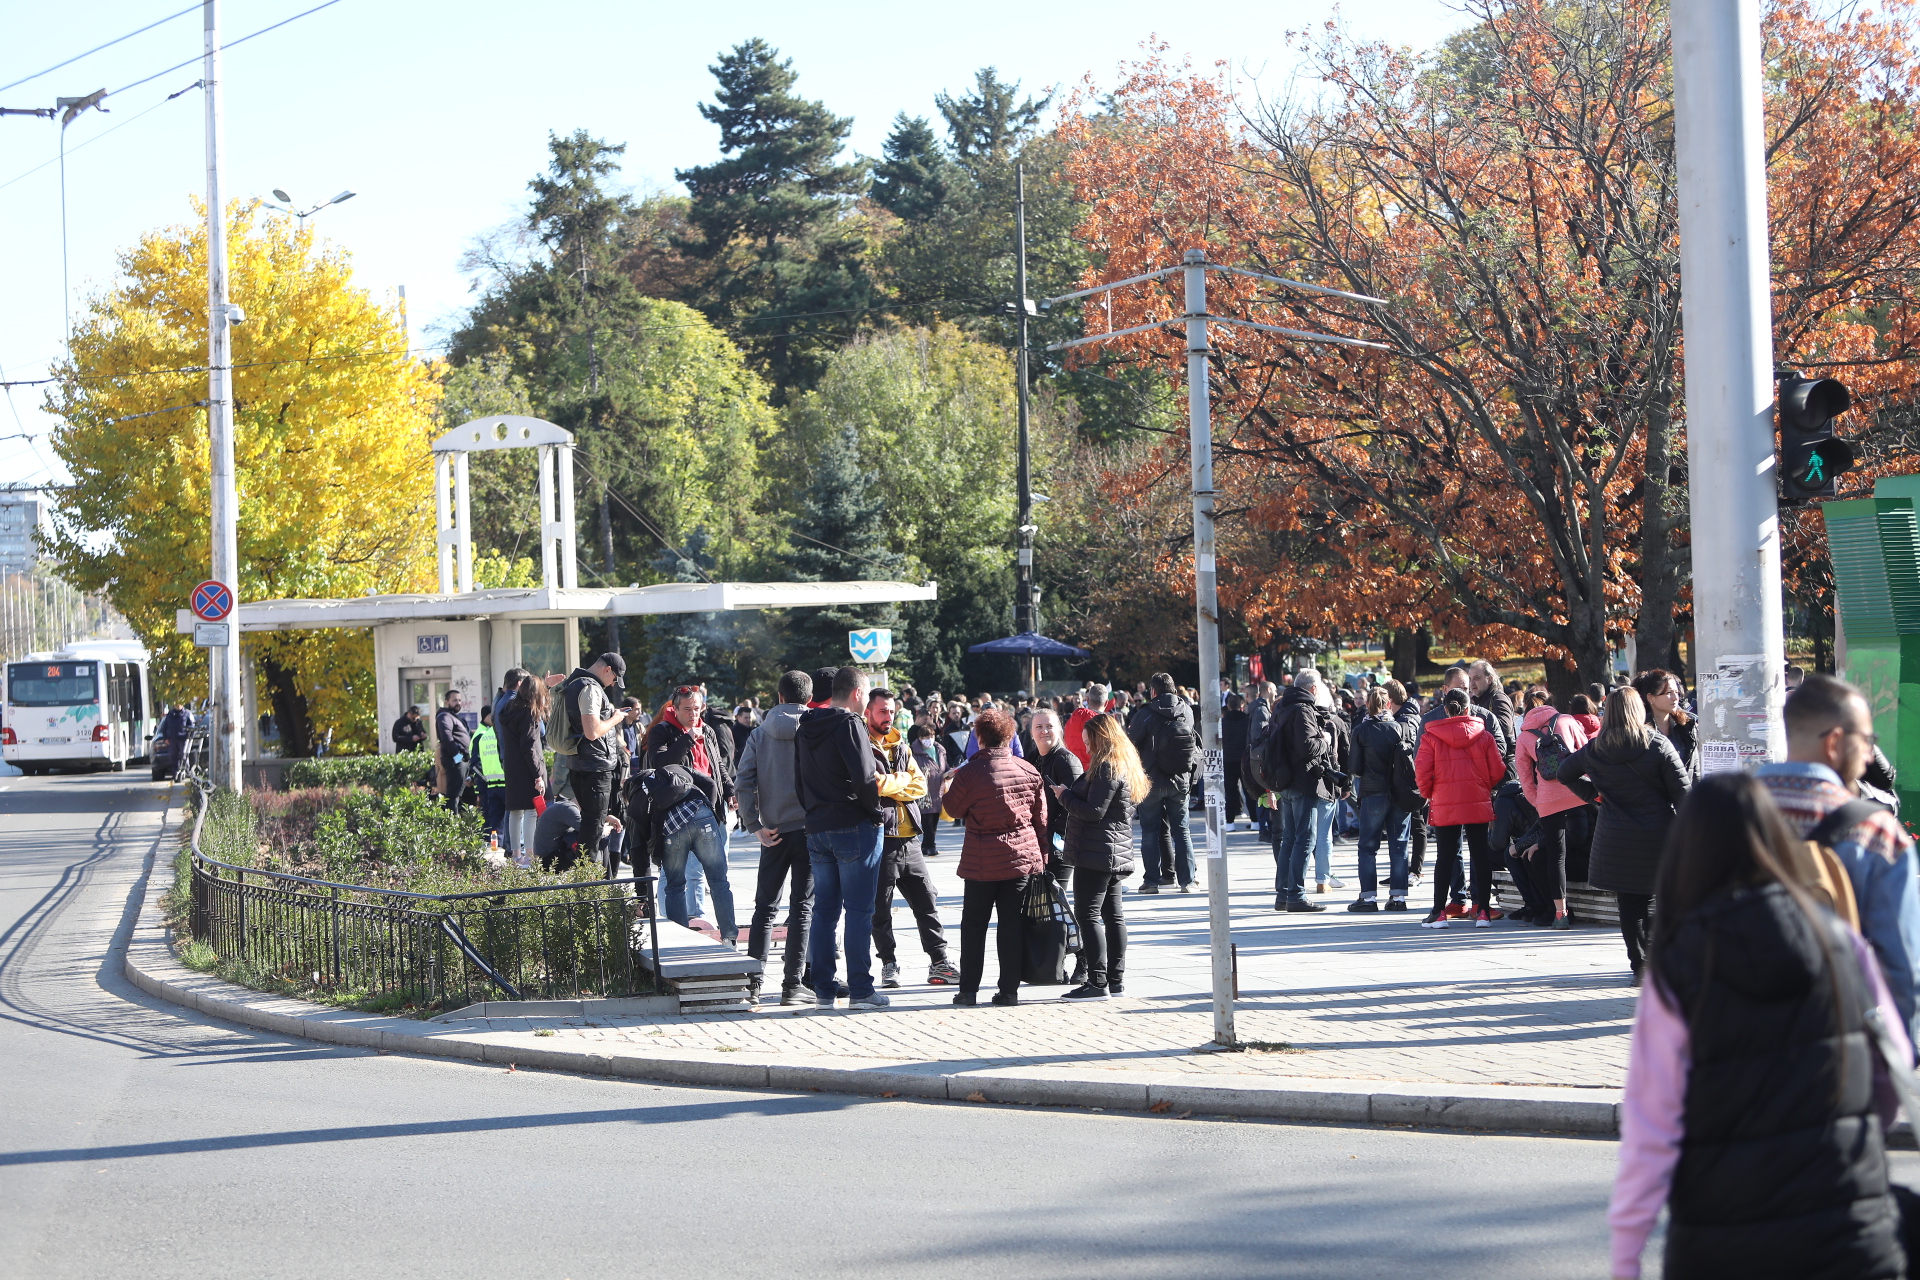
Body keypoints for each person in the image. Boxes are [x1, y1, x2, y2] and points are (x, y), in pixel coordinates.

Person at [1609, 773, 1911, 1280]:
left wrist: (1626, 1259)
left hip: (1726, 1241)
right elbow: (1891, 1070)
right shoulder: (1841, 941)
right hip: (1851, 1232)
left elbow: (1651, 1131)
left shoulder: (1680, 965)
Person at [1758, 673, 1920, 1043]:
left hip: (1729, 1055)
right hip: (1834, 1049)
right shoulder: (1876, 834)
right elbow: (1899, 963)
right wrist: (1899, 1053)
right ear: (1834, 742)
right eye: (1867, 741)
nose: (1868, 756)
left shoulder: (1715, 814)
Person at [1558, 688, 1691, 981]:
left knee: (1630, 905)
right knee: (1662, 898)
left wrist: (1594, 795)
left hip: (1616, 836)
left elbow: (1564, 772)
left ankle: (1640, 965)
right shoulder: (1657, 745)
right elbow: (1683, 795)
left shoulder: (1595, 748)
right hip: (1659, 836)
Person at [940, 708, 1048, 1007]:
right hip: (1021, 859)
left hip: (981, 861)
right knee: (1011, 925)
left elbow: (952, 809)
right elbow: (1041, 820)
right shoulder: (1029, 770)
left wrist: (947, 784)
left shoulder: (970, 773)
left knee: (974, 925)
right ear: (1010, 736)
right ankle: (1009, 990)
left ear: (979, 737)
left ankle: (968, 991)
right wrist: (1042, 858)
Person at [796, 666, 888, 1011]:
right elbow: (865, 778)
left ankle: (823, 989)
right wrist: (876, 813)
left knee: (825, 911)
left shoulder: (805, 725)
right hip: (853, 825)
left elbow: (798, 779)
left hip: (818, 826)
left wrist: (814, 811)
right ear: (858, 693)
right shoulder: (850, 724)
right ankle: (862, 990)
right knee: (860, 911)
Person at [862, 689, 958, 989]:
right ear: (868, 712)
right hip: (881, 839)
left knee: (927, 901)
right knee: (881, 908)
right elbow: (868, 786)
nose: (888, 717)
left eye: (891, 711)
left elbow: (918, 786)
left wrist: (890, 784)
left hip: (911, 839)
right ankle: (889, 965)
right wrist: (898, 783)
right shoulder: (862, 745)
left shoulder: (902, 746)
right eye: (882, 711)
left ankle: (939, 962)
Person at [736, 670, 816, 1005]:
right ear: (808, 699)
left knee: (764, 910)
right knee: (802, 908)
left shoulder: (759, 733)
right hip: (811, 830)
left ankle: (753, 987)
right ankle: (792, 986)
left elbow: (743, 781)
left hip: (774, 833)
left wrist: (754, 825)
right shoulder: (817, 728)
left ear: (779, 697)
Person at [1057, 713, 1148, 1000]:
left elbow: (1094, 811)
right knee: (1112, 915)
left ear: (1101, 737)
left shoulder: (1107, 767)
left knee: (1088, 914)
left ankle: (1098, 982)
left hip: (1096, 851)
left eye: (1088, 739)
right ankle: (1115, 981)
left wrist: (1064, 796)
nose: (1085, 745)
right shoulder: (1125, 764)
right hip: (1113, 850)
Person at [645, 685, 737, 945]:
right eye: (687, 709)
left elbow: (717, 764)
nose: (693, 714)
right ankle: (679, 937)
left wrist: (729, 790)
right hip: (677, 816)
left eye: (697, 709)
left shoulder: (707, 730)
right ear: (674, 708)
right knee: (675, 881)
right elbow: (659, 764)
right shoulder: (663, 730)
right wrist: (687, 738)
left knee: (718, 879)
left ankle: (729, 937)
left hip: (711, 812)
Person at [1415, 687, 1507, 928]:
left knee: (1445, 856)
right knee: (1480, 854)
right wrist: (1482, 786)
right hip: (1477, 798)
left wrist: (1430, 794)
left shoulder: (1431, 736)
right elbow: (1498, 770)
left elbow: (1422, 773)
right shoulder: (1485, 736)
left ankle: (1439, 912)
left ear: (1445, 709)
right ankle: (1484, 911)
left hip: (1445, 800)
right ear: (1469, 708)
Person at [1513, 689, 1592, 928]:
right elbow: (1586, 751)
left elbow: (1525, 778)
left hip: (1548, 799)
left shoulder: (1525, 735)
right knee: (1576, 838)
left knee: (1555, 856)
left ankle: (1560, 913)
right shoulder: (1568, 721)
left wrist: (1539, 801)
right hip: (1577, 791)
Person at [557, 653, 639, 875]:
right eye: (614, 679)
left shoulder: (573, 683)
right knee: (593, 827)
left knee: (590, 821)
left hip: (579, 764)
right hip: (594, 767)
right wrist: (615, 719)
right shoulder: (590, 688)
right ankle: (588, 882)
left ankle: (586, 877)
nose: (613, 684)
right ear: (607, 670)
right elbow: (592, 732)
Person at [1271, 669, 1337, 913]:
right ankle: (1296, 895)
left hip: (1285, 781)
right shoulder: (1302, 710)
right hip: (1302, 781)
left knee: (1289, 838)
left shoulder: (1280, 707)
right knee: (1304, 839)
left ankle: (1283, 894)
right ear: (1314, 689)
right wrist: (1326, 739)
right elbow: (1307, 747)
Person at [1127, 672, 1199, 894]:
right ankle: (1187, 881)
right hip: (1180, 779)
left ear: (1153, 691)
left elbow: (1132, 744)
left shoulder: (1146, 714)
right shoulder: (1186, 710)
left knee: (1149, 831)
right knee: (1182, 830)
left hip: (1151, 781)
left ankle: (1151, 882)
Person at [1347, 686, 1415, 911]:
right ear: (1388, 704)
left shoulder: (1361, 730)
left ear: (1368, 704)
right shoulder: (1399, 728)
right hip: (1398, 793)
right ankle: (1398, 898)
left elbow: (1355, 767)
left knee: (1368, 846)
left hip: (1372, 792)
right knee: (1399, 846)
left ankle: (1368, 898)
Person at [1028, 708, 1084, 885]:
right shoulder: (1031, 759)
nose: (1044, 731)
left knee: (1055, 905)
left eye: (1049, 726)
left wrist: (1052, 835)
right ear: (1031, 732)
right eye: (1038, 726)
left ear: (1059, 730)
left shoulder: (1067, 761)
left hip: (1058, 845)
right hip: (1036, 844)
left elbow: (1075, 807)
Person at [497, 675, 547, 866]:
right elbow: (530, 746)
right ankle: (530, 855)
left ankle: (516, 855)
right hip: (527, 767)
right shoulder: (529, 713)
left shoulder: (509, 708)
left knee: (515, 811)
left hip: (511, 765)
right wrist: (538, 775)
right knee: (531, 811)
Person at [1631, 668, 1697, 778]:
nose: (1675, 698)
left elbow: (1695, 771)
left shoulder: (1687, 726)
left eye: (1677, 692)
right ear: (1651, 697)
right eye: (1669, 693)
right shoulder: (1638, 732)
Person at [533, 794, 621, 873]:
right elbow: (591, 832)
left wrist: (606, 818)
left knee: (594, 837)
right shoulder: (569, 810)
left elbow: (588, 824)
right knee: (597, 839)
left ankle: (604, 880)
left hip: (548, 857)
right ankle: (603, 881)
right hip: (548, 861)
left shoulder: (565, 806)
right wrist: (604, 831)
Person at [909, 724, 946, 859]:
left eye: (931, 736)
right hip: (924, 790)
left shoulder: (939, 750)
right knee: (927, 819)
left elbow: (944, 766)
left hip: (938, 789)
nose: (928, 739)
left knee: (934, 818)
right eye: (925, 737)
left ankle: (926, 845)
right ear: (919, 738)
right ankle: (931, 845)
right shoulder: (914, 752)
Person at [470, 702, 506, 838]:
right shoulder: (500, 734)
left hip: (490, 784)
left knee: (493, 819)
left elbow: (475, 762)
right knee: (507, 818)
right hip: (504, 783)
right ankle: (506, 847)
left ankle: (494, 844)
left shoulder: (484, 736)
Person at [435, 690, 471, 813]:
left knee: (465, 796)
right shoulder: (444, 716)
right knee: (453, 795)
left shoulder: (455, 717)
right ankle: (451, 825)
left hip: (463, 760)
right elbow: (446, 737)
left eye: (460, 700)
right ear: (447, 702)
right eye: (454, 700)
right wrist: (457, 756)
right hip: (456, 761)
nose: (458, 703)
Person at [1221, 692, 1250, 829]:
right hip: (1244, 759)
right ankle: (1255, 821)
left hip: (1228, 760)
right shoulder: (1247, 719)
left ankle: (1230, 822)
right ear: (1242, 705)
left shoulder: (1224, 721)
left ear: (1228, 706)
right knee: (1248, 790)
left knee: (1230, 792)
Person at [1064, 683, 1108, 768]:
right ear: (1106, 703)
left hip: (1071, 769)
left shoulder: (1071, 721)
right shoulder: (1103, 724)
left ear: (1087, 700)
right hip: (1092, 772)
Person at [157, 703, 194, 780]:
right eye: (176, 704)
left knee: (183, 755)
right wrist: (165, 738)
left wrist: (189, 736)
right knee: (173, 757)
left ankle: (186, 772)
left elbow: (191, 727)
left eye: (179, 704)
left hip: (183, 739)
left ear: (182, 705)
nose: (177, 705)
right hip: (172, 739)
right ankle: (175, 774)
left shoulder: (187, 714)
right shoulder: (170, 714)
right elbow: (165, 727)